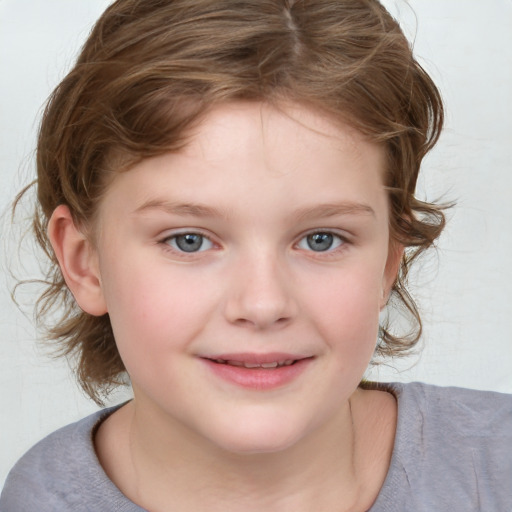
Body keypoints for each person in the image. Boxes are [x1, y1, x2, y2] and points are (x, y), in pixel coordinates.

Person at [1, 0, 511, 510]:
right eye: (189, 240)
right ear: (84, 261)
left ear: (386, 263)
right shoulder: (40, 499)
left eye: (321, 239)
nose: (263, 304)